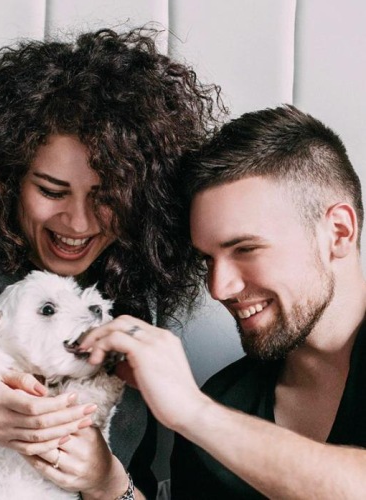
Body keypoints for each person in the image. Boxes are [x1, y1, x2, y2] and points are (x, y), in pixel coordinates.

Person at [0, 28, 225, 499]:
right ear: (6, 176)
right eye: (52, 191)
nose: (78, 222)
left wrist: (108, 482)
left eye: (107, 198)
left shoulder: (130, 283)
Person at [80, 104, 366, 498]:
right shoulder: (224, 400)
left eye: (246, 248)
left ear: (338, 231)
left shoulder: (206, 415)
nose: (219, 287)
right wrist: (107, 483)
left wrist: (194, 414)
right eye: (208, 260)